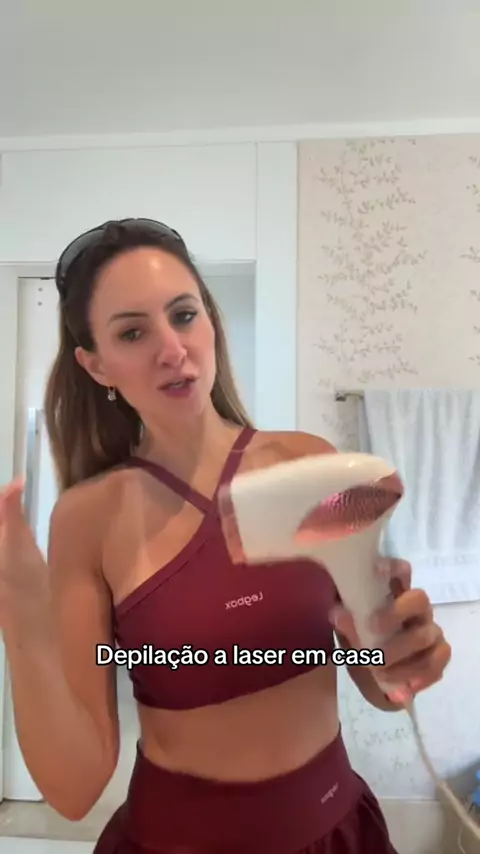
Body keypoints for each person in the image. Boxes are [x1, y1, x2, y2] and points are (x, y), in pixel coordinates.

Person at [0, 218, 451, 854]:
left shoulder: (307, 465)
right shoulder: (87, 518)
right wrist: (21, 610)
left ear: (210, 322)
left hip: (337, 833)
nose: (171, 348)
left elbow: (381, 689)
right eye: (132, 332)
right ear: (96, 364)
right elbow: (75, 789)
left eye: (184, 315)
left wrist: (401, 653)